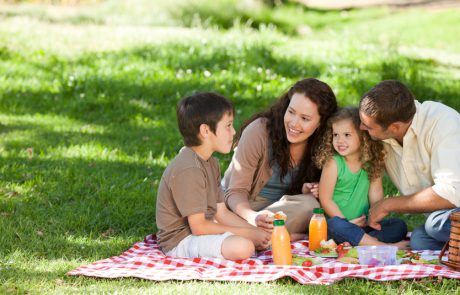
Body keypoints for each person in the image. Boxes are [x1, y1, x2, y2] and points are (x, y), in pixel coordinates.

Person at [156, 92, 271, 260]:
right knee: (243, 246)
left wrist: (255, 231)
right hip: (180, 241)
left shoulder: (211, 163)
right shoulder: (189, 168)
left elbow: (221, 213)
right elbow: (199, 227)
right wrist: (248, 234)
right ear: (205, 130)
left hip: (201, 232)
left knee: (255, 238)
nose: (233, 132)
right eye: (228, 126)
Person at [222, 78, 338, 240]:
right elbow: (235, 191)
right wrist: (253, 217)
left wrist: (313, 189)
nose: (294, 124)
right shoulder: (259, 131)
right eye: (291, 112)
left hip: (281, 212)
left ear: (321, 123)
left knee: (310, 205)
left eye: (305, 118)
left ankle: (254, 236)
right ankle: (276, 236)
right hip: (242, 207)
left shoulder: (326, 145)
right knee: (221, 215)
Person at [359, 80, 460, 250]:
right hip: (448, 215)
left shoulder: (443, 123)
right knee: (420, 241)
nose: (361, 127)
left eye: (368, 126)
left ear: (395, 127)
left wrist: (387, 204)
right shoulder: (383, 135)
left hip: (452, 206)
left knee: (435, 225)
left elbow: (452, 192)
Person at [315, 107, 408, 249]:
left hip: (363, 226)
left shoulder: (372, 162)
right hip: (340, 226)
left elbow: (375, 194)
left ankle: (360, 242)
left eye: (347, 135)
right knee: (334, 225)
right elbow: (325, 198)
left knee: (398, 226)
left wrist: (374, 219)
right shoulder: (333, 163)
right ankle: (382, 246)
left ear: (363, 136)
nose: (340, 140)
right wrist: (346, 222)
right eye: (335, 135)